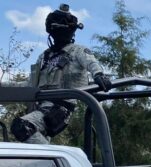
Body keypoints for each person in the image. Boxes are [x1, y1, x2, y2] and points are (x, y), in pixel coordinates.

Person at [7, 4, 112, 144]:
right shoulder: (44, 57)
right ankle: (47, 162)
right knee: (32, 139)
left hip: (60, 109)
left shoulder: (77, 51)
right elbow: (29, 84)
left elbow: (91, 63)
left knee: (22, 126)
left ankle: (53, 156)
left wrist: (99, 75)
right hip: (40, 107)